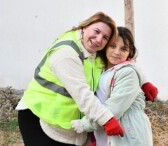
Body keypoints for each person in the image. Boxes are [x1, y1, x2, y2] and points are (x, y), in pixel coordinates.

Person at [16, 12, 125, 146]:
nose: (98, 39)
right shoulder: (67, 54)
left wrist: (136, 74)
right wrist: (106, 120)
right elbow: (82, 94)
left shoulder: (92, 52)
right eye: (96, 31)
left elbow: (113, 63)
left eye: (105, 37)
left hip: (66, 126)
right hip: (39, 118)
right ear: (85, 27)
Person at [71, 27, 154, 146]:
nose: (117, 52)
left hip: (129, 133)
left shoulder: (128, 73)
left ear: (129, 52)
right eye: (113, 46)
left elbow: (115, 106)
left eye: (123, 49)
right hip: (105, 130)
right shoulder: (99, 69)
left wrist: (86, 124)